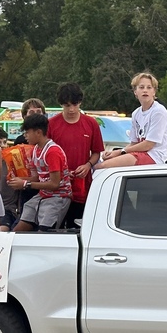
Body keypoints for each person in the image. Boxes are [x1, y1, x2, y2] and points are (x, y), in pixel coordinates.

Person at [48, 82, 104, 228]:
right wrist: (61, 172)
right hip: (58, 187)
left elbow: (97, 152)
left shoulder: (91, 123)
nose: (71, 109)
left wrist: (88, 165)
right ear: (61, 105)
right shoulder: (52, 124)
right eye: (67, 105)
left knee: (78, 226)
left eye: (75, 104)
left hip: (82, 186)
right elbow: (45, 154)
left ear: (80, 103)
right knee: (55, 227)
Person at [7, 113, 72, 231]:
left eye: (27, 132)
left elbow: (54, 184)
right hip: (43, 195)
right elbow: (37, 178)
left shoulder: (52, 152)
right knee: (18, 230)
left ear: (38, 132)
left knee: (44, 233)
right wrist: (18, 180)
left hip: (57, 198)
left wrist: (25, 184)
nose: (25, 136)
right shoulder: (36, 149)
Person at [96, 72, 167, 168]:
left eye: (149, 87)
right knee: (102, 163)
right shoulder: (136, 113)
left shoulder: (159, 112)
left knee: (101, 167)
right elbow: (134, 143)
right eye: (141, 87)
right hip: (139, 154)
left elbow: (148, 145)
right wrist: (114, 153)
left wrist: (120, 152)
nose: (145, 90)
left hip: (154, 156)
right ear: (135, 91)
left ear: (154, 92)